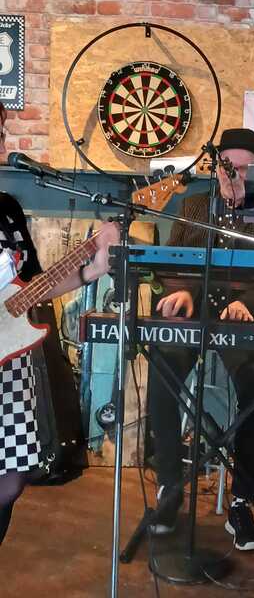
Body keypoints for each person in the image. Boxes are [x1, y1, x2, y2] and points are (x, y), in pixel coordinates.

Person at [148, 128, 254, 550]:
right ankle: (170, 487)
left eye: (246, 169)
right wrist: (181, 292)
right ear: (215, 168)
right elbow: (174, 262)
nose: (237, 176)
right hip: (195, 311)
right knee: (160, 373)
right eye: (230, 168)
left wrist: (249, 302)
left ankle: (242, 501)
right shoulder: (193, 205)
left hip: (245, 315)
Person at [0, 101, 119, 545]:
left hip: (11, 362)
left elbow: (32, 287)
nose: (1, 142)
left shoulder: (7, 209)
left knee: (11, 481)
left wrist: (93, 266)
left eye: (0, 132)